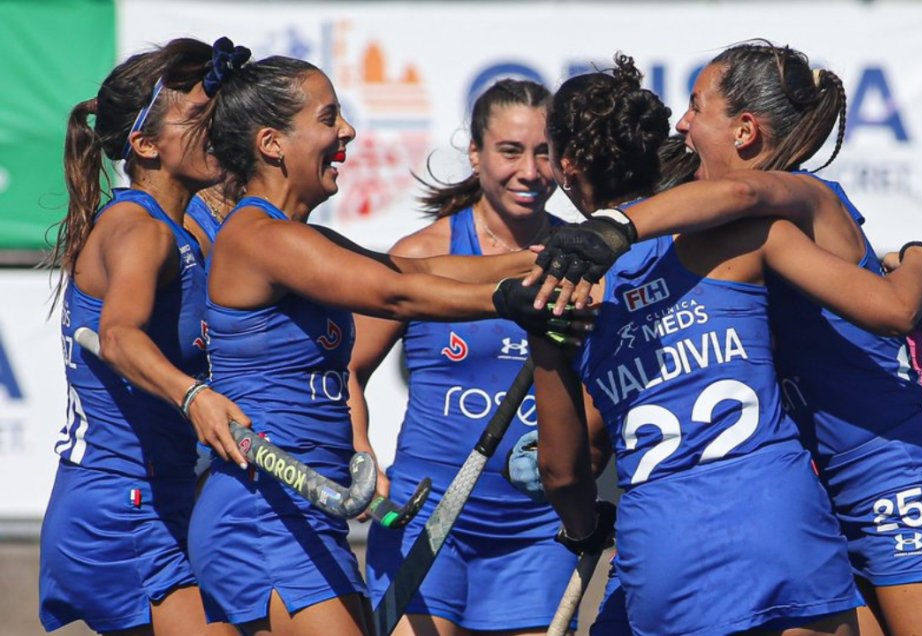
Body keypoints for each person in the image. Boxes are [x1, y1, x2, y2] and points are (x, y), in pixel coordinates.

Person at [531, 41, 922, 636]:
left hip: (898, 476)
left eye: (696, 107)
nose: (681, 124)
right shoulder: (719, 240)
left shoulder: (802, 195)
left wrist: (921, 256)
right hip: (816, 494)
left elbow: (747, 195)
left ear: (745, 131)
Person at [185, 55, 587, 636]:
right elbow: (397, 295)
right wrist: (509, 300)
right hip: (264, 509)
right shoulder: (260, 237)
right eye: (329, 118)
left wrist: (544, 259)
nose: (347, 131)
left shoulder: (299, 236)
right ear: (272, 144)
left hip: (301, 509)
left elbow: (416, 268)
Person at [351, 79, 583, 636]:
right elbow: (347, 368)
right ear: (475, 153)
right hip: (426, 519)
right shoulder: (421, 254)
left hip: (539, 532)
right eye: (511, 151)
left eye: (545, 153)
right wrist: (359, 452)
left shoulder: (583, 257)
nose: (530, 171)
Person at [40, 38, 249, 635]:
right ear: (145, 145)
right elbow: (118, 337)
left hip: (165, 494)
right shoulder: (138, 230)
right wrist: (195, 396)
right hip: (118, 508)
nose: (216, 131)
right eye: (199, 119)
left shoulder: (192, 225)